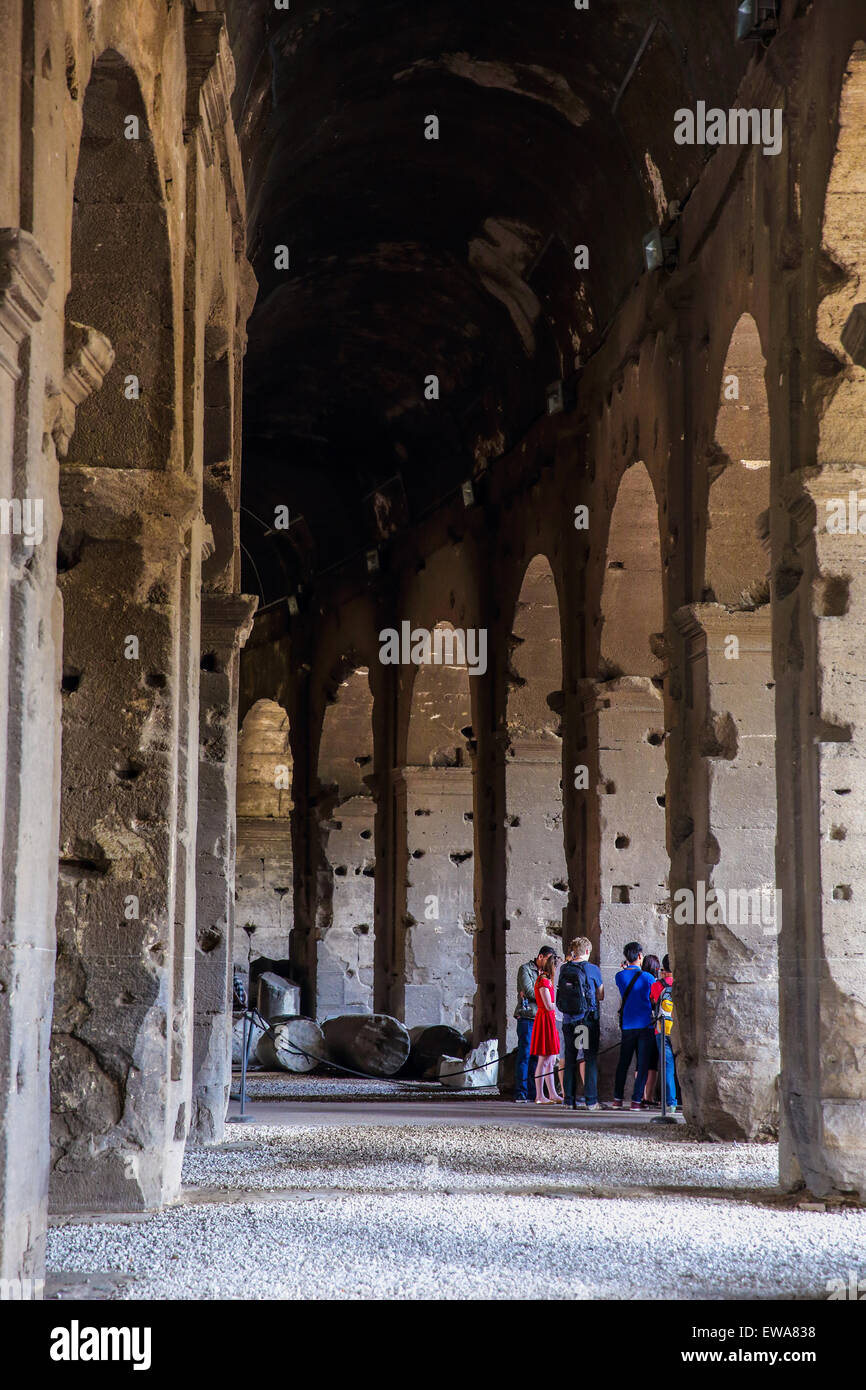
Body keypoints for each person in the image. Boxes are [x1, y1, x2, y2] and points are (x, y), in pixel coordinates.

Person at [556, 937, 604, 1111]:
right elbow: (601, 995)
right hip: (585, 1021)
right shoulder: (592, 969)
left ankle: (568, 1100)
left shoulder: (563, 969)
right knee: (588, 1058)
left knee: (570, 1058)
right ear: (586, 952)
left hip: (568, 1020)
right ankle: (591, 1101)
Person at [612, 941, 655, 1110]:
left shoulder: (619, 976)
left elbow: (624, 980)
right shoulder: (648, 977)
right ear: (639, 956)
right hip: (645, 1024)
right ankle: (636, 1101)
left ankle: (617, 1099)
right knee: (642, 1064)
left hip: (628, 1025)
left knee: (623, 1062)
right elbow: (652, 998)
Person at [513, 946, 556, 1103]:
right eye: (548, 959)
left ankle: (534, 1092)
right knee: (524, 1054)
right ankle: (521, 1092)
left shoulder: (546, 975)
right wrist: (544, 997)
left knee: (537, 1057)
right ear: (540, 957)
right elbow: (530, 991)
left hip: (541, 1018)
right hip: (528, 1017)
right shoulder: (525, 969)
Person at [530, 952, 561, 1103]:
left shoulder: (546, 980)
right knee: (543, 1059)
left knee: (550, 1059)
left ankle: (552, 1094)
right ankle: (539, 1095)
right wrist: (562, 1004)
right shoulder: (543, 981)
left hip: (549, 1019)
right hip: (545, 1019)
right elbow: (548, 1005)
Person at [650, 954, 677, 1114]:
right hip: (678, 1029)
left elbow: (652, 1001)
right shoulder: (680, 984)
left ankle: (670, 1102)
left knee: (667, 1067)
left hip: (661, 1029)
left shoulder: (656, 985)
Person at [640, 954, 661, 1108]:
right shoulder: (653, 982)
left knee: (640, 1063)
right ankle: (649, 1096)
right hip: (651, 1024)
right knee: (652, 1064)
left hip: (635, 1024)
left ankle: (639, 1095)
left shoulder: (635, 978)